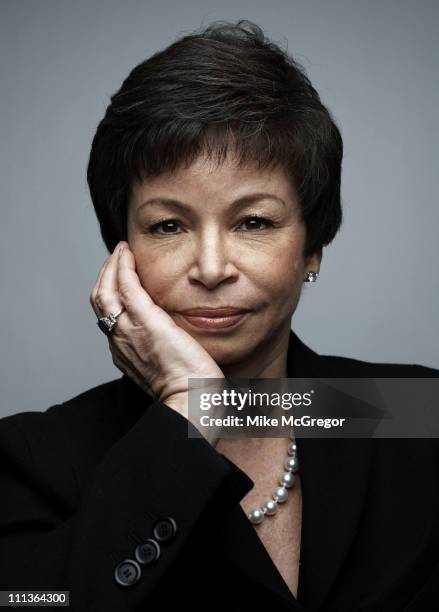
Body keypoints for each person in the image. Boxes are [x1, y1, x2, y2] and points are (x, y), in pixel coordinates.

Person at [1, 19, 438, 612]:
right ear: (121, 250)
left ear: (312, 246)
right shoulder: (35, 455)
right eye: (168, 225)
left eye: (253, 222)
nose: (210, 267)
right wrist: (188, 406)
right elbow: (34, 602)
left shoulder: (410, 411)